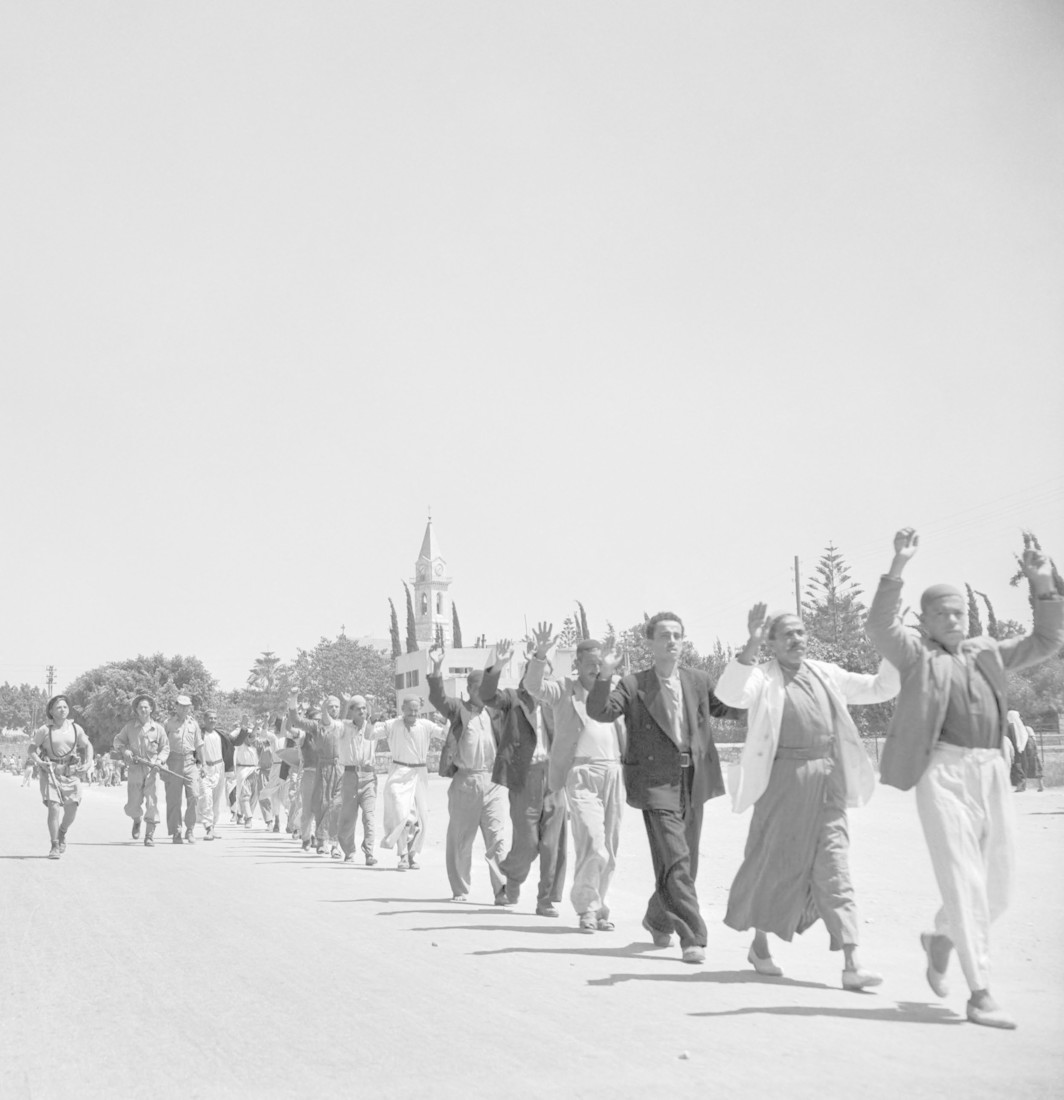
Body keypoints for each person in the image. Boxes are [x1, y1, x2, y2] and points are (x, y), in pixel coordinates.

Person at [866, 528, 1064, 1029]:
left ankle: (941, 938)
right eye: (941, 613)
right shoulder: (916, 655)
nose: (953, 619)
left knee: (998, 889)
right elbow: (879, 626)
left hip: (992, 771)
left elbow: (1047, 640)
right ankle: (981, 993)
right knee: (962, 880)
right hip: (943, 773)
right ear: (926, 622)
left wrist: (1041, 580)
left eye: (958, 612)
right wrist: (897, 567)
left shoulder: (988, 651)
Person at [716, 604, 899, 989]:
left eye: (801, 632)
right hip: (781, 783)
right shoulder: (763, 678)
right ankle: (760, 944)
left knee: (834, 866)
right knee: (773, 863)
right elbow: (731, 694)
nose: (797, 639)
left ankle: (852, 961)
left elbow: (881, 688)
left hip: (828, 781)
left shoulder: (826, 673)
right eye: (788, 634)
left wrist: (892, 644)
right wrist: (750, 642)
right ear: (772, 642)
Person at [587, 611, 743, 964]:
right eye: (664, 635)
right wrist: (605, 675)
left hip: (694, 781)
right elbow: (600, 711)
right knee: (676, 858)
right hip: (656, 783)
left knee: (685, 863)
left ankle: (657, 917)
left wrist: (763, 695)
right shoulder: (633, 684)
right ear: (650, 643)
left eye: (677, 635)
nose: (672, 641)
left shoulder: (699, 680)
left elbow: (727, 709)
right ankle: (693, 936)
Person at [524, 626, 627, 933]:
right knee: (594, 843)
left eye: (601, 662)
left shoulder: (616, 687)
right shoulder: (563, 689)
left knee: (610, 849)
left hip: (614, 772)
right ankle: (586, 907)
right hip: (581, 774)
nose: (596, 668)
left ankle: (598, 907)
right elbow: (533, 686)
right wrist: (540, 656)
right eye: (591, 663)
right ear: (578, 665)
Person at [479, 637, 568, 918]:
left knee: (553, 843)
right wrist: (498, 665)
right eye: (539, 671)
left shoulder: (559, 701)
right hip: (524, 776)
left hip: (554, 776)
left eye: (548, 672)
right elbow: (487, 696)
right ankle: (510, 876)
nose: (545, 677)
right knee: (528, 844)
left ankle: (546, 900)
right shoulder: (512, 698)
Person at [429, 644, 508, 902]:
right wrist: (437, 667)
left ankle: (502, 889)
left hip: (493, 781)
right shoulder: (457, 709)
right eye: (478, 689)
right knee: (461, 839)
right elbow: (437, 698)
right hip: (466, 780)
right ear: (468, 690)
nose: (483, 694)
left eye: (487, 689)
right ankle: (460, 889)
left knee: (497, 838)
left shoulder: (496, 711)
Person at [378, 696, 446, 870]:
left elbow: (446, 735)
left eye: (416, 710)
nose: (413, 714)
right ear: (403, 708)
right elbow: (371, 734)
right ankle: (402, 855)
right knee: (402, 814)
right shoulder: (392, 724)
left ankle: (412, 855)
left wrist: (447, 722)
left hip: (419, 775)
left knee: (419, 819)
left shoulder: (426, 726)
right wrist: (372, 716)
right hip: (398, 773)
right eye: (410, 710)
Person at [29, 695, 94, 859]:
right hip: (51, 773)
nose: (62, 710)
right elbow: (31, 750)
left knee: (72, 809)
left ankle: (62, 831)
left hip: (71, 774)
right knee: (54, 809)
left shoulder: (75, 729)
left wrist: (88, 763)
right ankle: (54, 845)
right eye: (58, 707)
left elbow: (88, 745)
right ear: (51, 711)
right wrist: (40, 762)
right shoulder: (44, 730)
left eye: (65, 707)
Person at [286, 691, 347, 858]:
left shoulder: (342, 725)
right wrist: (293, 700)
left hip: (340, 769)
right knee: (320, 806)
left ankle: (335, 845)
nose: (333, 709)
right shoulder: (315, 727)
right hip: (320, 770)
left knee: (337, 806)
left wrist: (348, 704)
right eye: (330, 707)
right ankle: (319, 841)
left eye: (337, 707)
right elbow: (296, 722)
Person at [337, 695, 389, 865]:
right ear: (351, 711)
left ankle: (369, 853)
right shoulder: (344, 727)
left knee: (369, 816)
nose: (362, 711)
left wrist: (375, 709)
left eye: (364, 708)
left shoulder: (373, 728)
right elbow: (332, 723)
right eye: (358, 708)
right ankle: (349, 852)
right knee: (348, 817)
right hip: (350, 776)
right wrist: (345, 705)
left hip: (369, 777)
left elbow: (389, 727)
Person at [113, 694, 171, 846]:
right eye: (141, 707)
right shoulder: (130, 727)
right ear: (136, 710)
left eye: (146, 707)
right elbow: (117, 741)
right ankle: (137, 819)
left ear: (151, 709)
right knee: (132, 805)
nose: (144, 709)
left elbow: (165, 748)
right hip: (135, 770)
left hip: (153, 771)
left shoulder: (158, 729)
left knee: (152, 803)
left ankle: (149, 835)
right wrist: (125, 751)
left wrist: (159, 761)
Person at [163, 693, 204, 844]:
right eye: (181, 705)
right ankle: (176, 831)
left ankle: (190, 829)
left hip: (189, 761)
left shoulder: (194, 724)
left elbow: (199, 745)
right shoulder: (168, 723)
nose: (184, 708)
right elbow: (162, 744)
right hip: (172, 761)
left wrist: (203, 763)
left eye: (186, 706)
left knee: (194, 795)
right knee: (174, 799)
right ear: (176, 706)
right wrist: (162, 763)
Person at [196, 710, 227, 840]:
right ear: (204, 719)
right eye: (210, 718)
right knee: (206, 797)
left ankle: (213, 827)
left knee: (216, 799)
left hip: (219, 768)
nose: (212, 720)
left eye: (215, 718)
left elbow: (234, 742)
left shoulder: (219, 734)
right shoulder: (200, 734)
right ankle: (208, 827)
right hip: (204, 769)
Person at [230, 716, 260, 827]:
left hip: (255, 771)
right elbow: (233, 735)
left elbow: (254, 735)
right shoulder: (240, 743)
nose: (251, 737)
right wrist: (242, 727)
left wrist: (256, 727)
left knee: (254, 796)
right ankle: (248, 818)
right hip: (243, 770)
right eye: (248, 735)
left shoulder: (255, 745)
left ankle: (242, 814)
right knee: (245, 795)